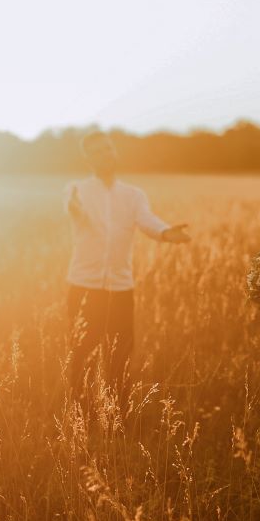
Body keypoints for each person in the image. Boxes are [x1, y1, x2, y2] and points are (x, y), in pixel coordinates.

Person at [63, 131, 190, 399]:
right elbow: (78, 214)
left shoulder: (133, 195)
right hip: (84, 286)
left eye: (108, 149)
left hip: (120, 289)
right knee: (82, 352)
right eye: (97, 151)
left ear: (114, 152)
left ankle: (117, 417)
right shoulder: (77, 190)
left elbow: (147, 220)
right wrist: (75, 210)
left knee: (120, 354)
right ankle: (81, 414)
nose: (105, 155)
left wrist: (166, 233)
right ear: (88, 158)